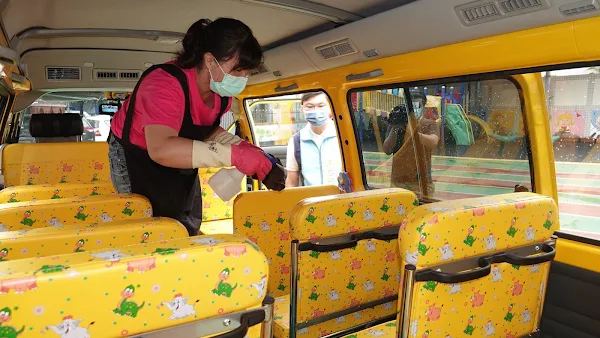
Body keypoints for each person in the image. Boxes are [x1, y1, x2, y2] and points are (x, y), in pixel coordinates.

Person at [108, 18, 278, 236]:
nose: (243, 79)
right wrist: (235, 155)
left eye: (247, 73)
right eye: (238, 70)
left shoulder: (221, 96)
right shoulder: (164, 84)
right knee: (145, 227)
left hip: (175, 150)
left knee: (185, 218)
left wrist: (243, 148)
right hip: (135, 156)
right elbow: (161, 149)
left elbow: (205, 130)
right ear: (210, 60)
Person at [382, 91, 440, 198]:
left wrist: (413, 133)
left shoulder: (430, 124)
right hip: (398, 181)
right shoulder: (397, 124)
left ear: (424, 107)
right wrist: (396, 127)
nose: (414, 110)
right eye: (410, 106)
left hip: (422, 183)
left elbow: (433, 142)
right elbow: (387, 149)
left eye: (417, 106)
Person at [285, 92, 342, 187]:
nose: (316, 111)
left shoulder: (341, 134)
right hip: (311, 200)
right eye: (310, 107)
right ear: (302, 108)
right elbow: (291, 180)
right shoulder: (296, 141)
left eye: (321, 106)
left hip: (341, 200)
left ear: (330, 107)